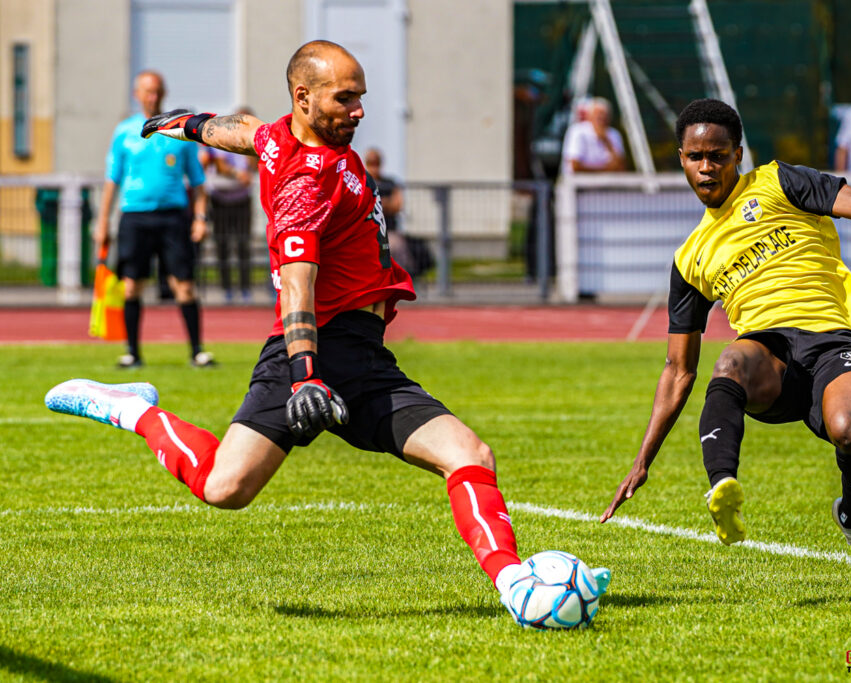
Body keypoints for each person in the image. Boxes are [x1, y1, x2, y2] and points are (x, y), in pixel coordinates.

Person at [46, 40, 608, 621]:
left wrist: (184, 124)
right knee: (224, 488)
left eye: (361, 97)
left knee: (470, 453)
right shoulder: (304, 186)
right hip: (312, 351)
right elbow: (296, 288)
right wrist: (305, 376)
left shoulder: (284, 135)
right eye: (346, 98)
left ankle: (514, 583)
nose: (359, 110)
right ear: (304, 97)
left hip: (363, 357)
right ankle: (132, 410)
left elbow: (242, 131)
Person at [600, 99, 851, 592]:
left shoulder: (778, 182)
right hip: (769, 357)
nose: (707, 167)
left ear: (738, 154)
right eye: (695, 156)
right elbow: (678, 370)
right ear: (681, 158)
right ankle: (722, 486)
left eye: (719, 155)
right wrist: (643, 460)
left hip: (831, 339)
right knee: (729, 360)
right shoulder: (689, 259)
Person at [95, 70, 214, 368]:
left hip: (173, 217)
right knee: (132, 285)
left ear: (164, 94)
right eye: (147, 91)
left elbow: (198, 183)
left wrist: (200, 218)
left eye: (157, 91)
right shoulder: (124, 132)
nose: (153, 97)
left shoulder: (179, 133)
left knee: (183, 285)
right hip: (134, 216)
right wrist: (103, 223)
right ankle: (133, 352)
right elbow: (112, 180)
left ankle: (197, 351)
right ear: (137, 94)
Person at [201, 106, 259, 302]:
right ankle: (226, 288)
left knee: (243, 245)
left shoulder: (254, 140)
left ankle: (245, 288)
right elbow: (219, 164)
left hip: (242, 198)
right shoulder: (223, 136)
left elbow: (255, 166)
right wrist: (236, 174)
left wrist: (252, 148)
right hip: (220, 198)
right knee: (223, 245)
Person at [363, 147, 431, 280]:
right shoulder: (363, 181)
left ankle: (400, 279)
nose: (374, 166)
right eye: (371, 162)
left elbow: (397, 205)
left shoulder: (390, 183)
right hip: (367, 231)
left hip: (389, 231)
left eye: (376, 162)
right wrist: (383, 203)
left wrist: (376, 202)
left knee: (395, 247)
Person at [560, 97, 627, 175]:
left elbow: (621, 167)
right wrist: (607, 170)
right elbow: (575, 166)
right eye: (598, 114)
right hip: (579, 184)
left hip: (607, 184)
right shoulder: (577, 131)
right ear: (589, 116)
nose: (601, 118)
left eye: (605, 115)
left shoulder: (614, 134)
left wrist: (606, 142)